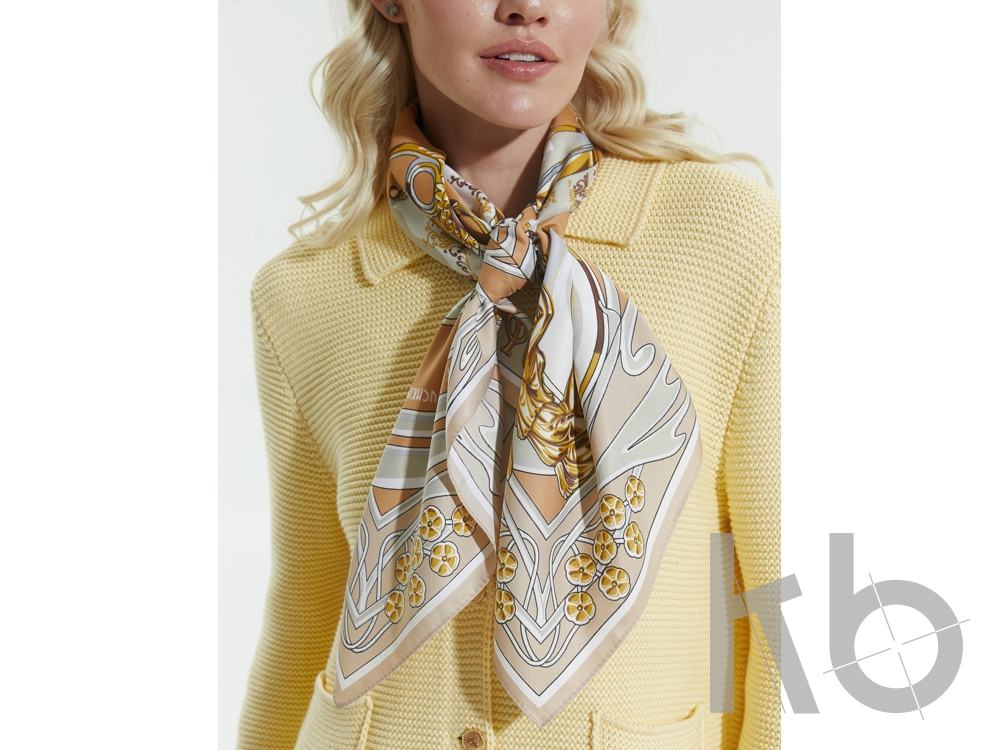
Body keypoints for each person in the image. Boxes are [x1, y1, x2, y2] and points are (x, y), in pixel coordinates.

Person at [236, 2, 779, 749]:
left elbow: (784, 590)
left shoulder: (726, 235)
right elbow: (305, 605)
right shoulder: (303, 293)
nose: (526, 6)